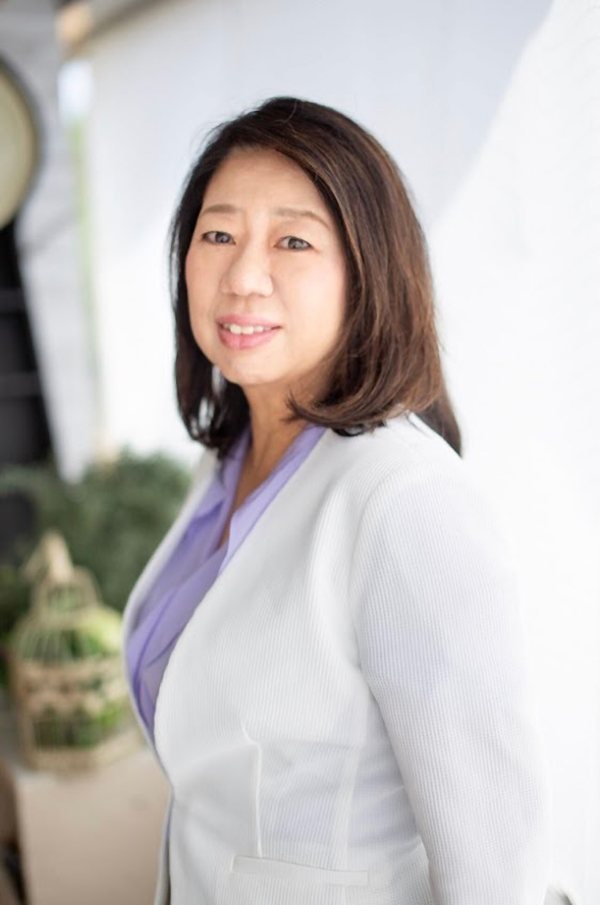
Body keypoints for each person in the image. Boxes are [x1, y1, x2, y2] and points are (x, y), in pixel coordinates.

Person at [121, 96, 551, 905]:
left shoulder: (407, 502)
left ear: (368, 269)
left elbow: (497, 867)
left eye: (293, 240)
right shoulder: (227, 461)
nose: (243, 277)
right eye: (218, 235)